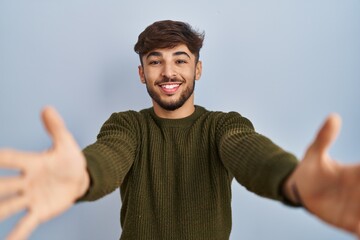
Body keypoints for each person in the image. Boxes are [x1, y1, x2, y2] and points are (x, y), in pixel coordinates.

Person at [0, 20, 359, 240]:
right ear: (142, 73)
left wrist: (294, 181)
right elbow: (110, 155)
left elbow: (248, 151)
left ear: (197, 69)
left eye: (180, 60)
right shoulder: (128, 126)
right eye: (155, 61)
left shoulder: (223, 126)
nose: (168, 73)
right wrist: (81, 176)